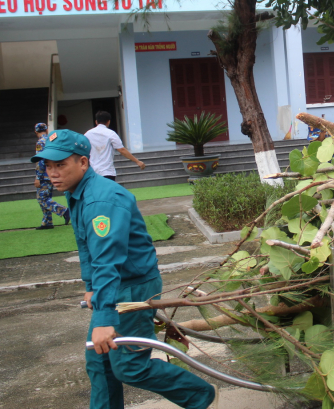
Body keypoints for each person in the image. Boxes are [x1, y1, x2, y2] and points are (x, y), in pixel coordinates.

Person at [31, 130, 215, 409]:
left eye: (60, 165)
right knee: (99, 361)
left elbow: (107, 259)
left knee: (130, 366)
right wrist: (91, 286)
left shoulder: (100, 201)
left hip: (131, 287)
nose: (52, 173)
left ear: (83, 163)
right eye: (48, 166)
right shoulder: (77, 192)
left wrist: (105, 319)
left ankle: (201, 396)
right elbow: (86, 247)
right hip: (113, 284)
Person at [85, 111, 145, 181]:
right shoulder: (111, 134)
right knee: (108, 191)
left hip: (93, 172)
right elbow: (122, 150)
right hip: (107, 172)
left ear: (96, 122)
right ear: (108, 121)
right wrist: (137, 161)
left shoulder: (87, 134)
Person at [34, 123, 70, 230]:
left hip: (44, 175)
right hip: (52, 172)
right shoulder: (51, 140)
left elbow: (40, 161)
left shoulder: (40, 142)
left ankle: (64, 211)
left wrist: (38, 177)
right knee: (47, 197)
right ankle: (47, 222)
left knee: (42, 198)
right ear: (46, 129)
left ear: (36, 132)